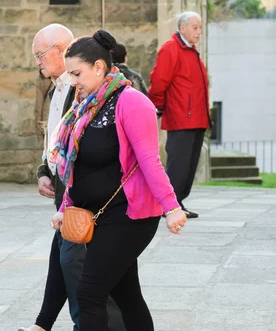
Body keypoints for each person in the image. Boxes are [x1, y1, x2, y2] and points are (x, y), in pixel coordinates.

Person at [48, 30, 187, 331]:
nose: (72, 81)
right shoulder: (83, 107)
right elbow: (76, 163)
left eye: (76, 73)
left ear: (98, 67)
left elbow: (150, 160)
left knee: (89, 293)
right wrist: (67, 205)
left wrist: (172, 207)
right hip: (97, 215)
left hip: (128, 217)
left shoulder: (132, 102)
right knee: (126, 295)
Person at [20, 25, 125, 331]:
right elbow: (54, 138)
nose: (38, 63)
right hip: (67, 193)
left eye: (41, 55)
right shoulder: (55, 87)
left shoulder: (80, 88)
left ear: (61, 49)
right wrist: (45, 170)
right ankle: (44, 323)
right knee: (64, 259)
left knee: (77, 265)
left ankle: (89, 325)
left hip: (85, 195)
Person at [148, 11, 211, 219]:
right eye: (195, 27)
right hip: (181, 118)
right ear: (182, 27)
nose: (199, 32)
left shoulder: (191, 51)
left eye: (200, 27)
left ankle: (178, 202)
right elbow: (159, 82)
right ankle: (169, 204)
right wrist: (156, 106)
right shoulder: (171, 49)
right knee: (179, 164)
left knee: (189, 165)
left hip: (196, 118)